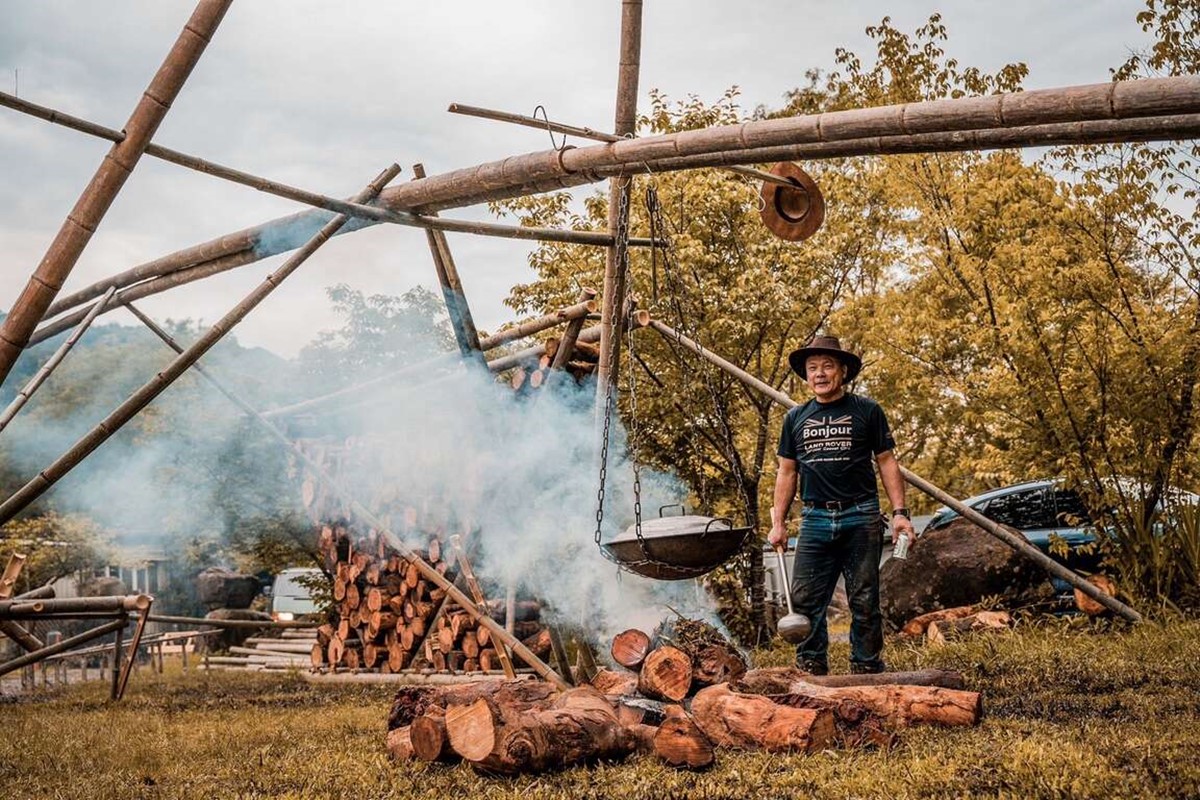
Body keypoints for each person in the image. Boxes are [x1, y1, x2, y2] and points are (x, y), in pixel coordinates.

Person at [767, 333, 914, 675]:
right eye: (812, 368)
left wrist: (900, 514)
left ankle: (865, 667)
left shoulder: (867, 411)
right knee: (805, 599)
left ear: (843, 371)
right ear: (806, 376)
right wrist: (779, 524)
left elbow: (887, 461)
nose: (818, 374)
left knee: (864, 598)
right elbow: (787, 472)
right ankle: (811, 666)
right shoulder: (795, 419)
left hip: (860, 515)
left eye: (827, 366)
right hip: (815, 518)